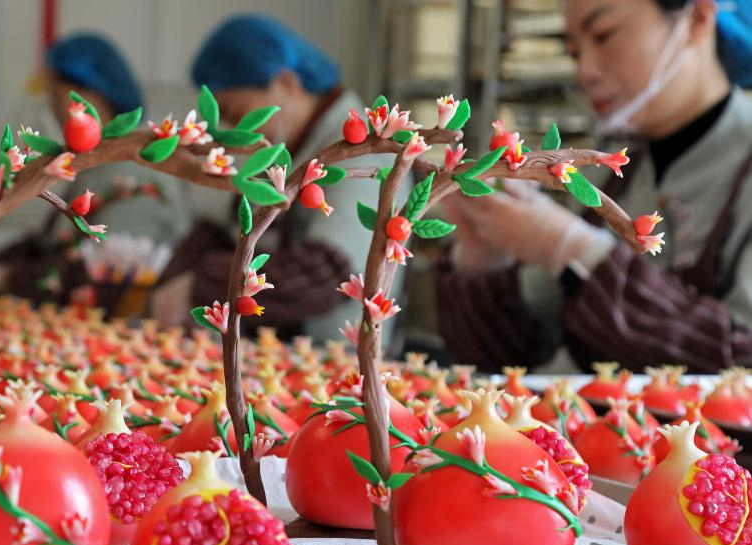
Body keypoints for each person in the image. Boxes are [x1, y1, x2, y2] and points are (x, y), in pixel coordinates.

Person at [435, 0, 752, 373]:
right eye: (574, 52)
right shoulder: (609, 176)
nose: (584, 72)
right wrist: (484, 256)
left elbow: (741, 360)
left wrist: (576, 248)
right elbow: (518, 361)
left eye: (604, 35)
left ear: (697, 19)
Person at [155, 15, 411, 342]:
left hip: (333, 356)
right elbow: (236, 234)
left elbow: (326, 274)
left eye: (236, 113)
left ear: (287, 83)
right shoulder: (287, 145)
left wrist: (201, 284)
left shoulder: (360, 149)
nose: (232, 130)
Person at [0, 33, 192, 307]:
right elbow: (55, 245)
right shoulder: (97, 163)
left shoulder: (138, 168)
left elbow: (101, 269)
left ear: (90, 96)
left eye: (57, 97)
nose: (54, 110)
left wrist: (3, 278)